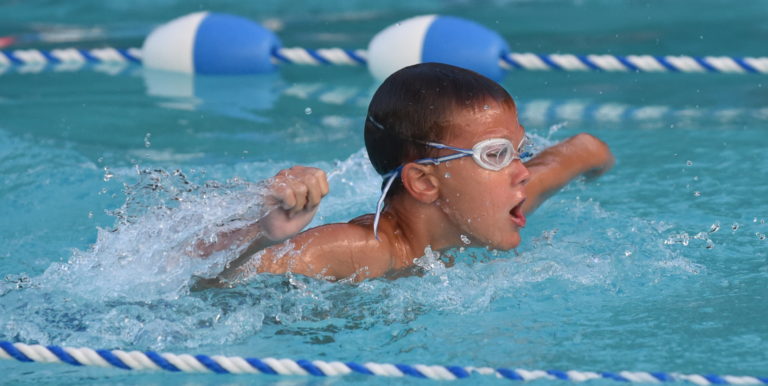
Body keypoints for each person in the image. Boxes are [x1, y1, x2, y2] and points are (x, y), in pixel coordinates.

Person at [194, 62, 614, 287]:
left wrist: (595, 160)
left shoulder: (490, 204)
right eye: (496, 155)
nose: (521, 172)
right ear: (425, 182)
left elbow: (583, 149)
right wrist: (263, 233)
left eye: (519, 151)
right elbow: (204, 283)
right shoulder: (360, 250)